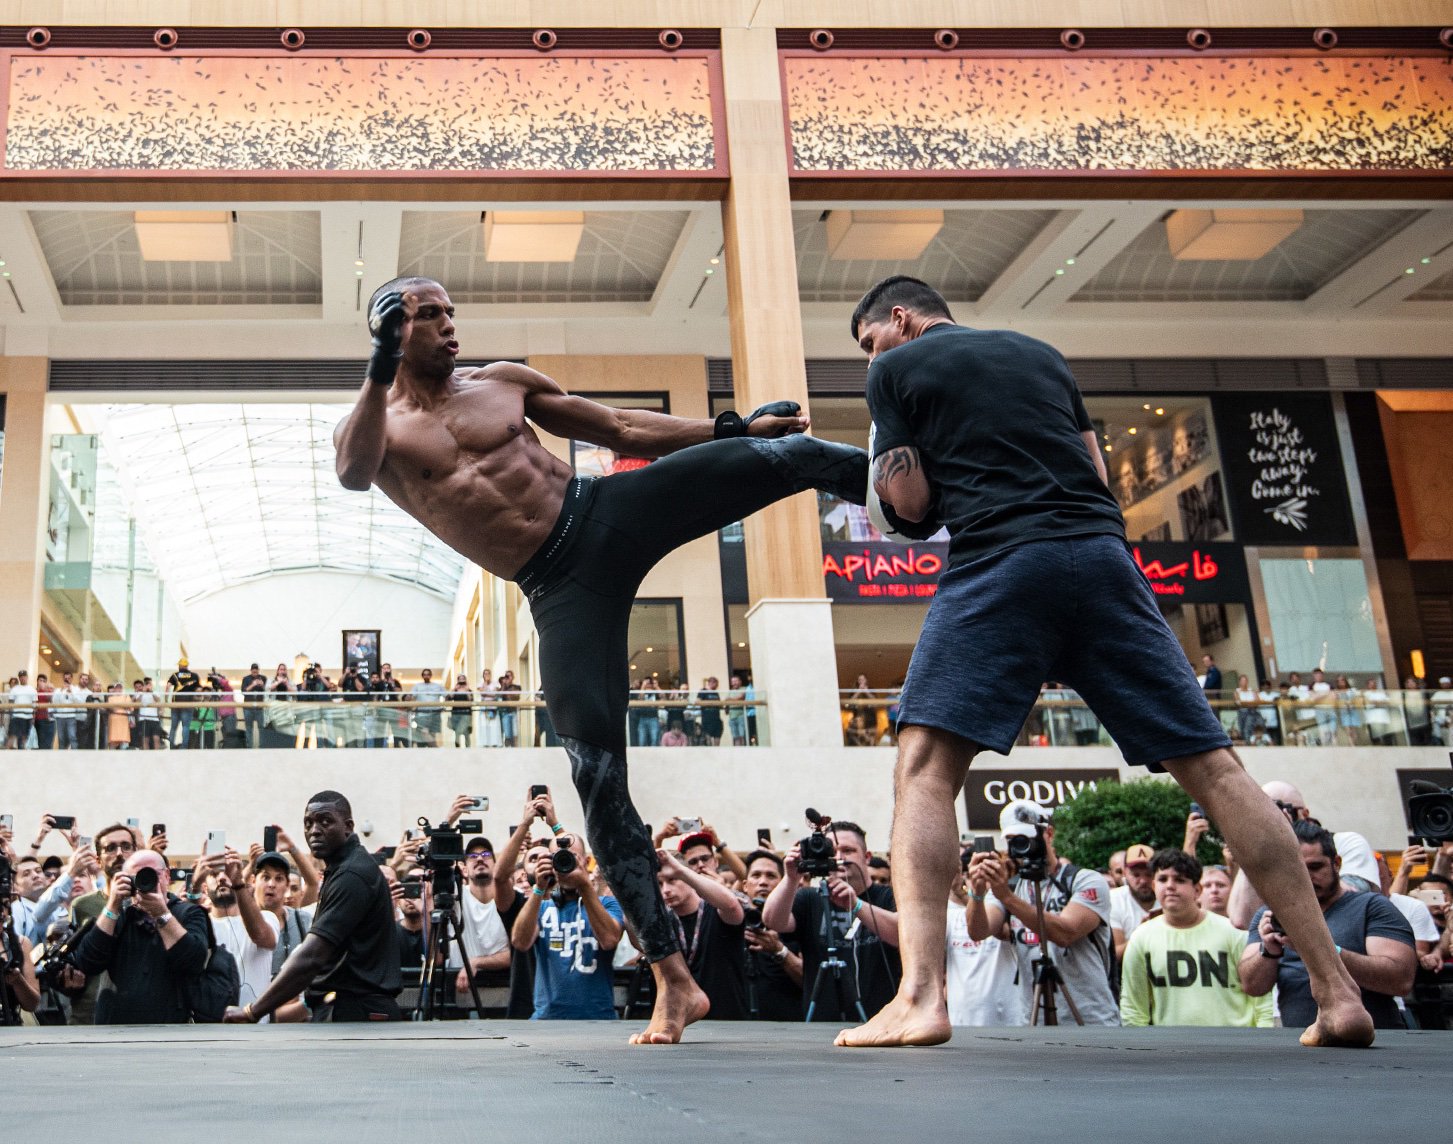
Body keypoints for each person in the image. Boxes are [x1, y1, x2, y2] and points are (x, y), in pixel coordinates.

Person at [837, 274, 1373, 1048]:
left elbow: (912, 505)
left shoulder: (894, 369)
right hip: (1102, 558)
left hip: (999, 558)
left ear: (899, 318)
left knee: (922, 769)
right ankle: (1336, 993)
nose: (868, 357)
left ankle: (920, 997)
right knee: (1218, 772)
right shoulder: (1042, 354)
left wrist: (896, 468)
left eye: (867, 341)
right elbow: (1093, 473)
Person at [333, 276, 868, 1042]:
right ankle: (673, 981)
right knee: (596, 777)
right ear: (390, 330)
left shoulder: (503, 383)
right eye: (427, 316)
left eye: (450, 312)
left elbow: (618, 427)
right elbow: (352, 473)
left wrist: (729, 427)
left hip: (605, 513)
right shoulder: (375, 425)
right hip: (557, 587)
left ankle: (932, 502)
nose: (449, 327)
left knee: (788, 452)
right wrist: (380, 364)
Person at [224, 791, 401, 1023]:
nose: (314, 830)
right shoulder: (343, 868)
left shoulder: (351, 873)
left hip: (357, 1013)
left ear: (348, 827)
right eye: (308, 823)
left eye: (325, 821)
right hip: (347, 1008)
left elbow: (313, 956)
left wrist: (252, 1011)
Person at [1241, 821, 1416, 1032]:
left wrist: (1319, 949)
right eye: (1296, 869)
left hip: (1374, 1045)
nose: (1306, 877)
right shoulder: (1270, 915)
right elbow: (1251, 986)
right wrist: (1268, 952)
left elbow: (1400, 980)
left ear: (1337, 863)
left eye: (1315, 867)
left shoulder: (1372, 907)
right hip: (1303, 1048)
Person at [966, 802, 1118, 1027]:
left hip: (1090, 1018)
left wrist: (1007, 897)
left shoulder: (1085, 880)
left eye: (1025, 838)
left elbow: (1066, 933)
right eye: (1012, 841)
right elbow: (979, 931)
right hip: (1033, 1018)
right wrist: (977, 893)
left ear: (1049, 833)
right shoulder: (1010, 886)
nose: (1020, 847)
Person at [761, 819, 901, 1022]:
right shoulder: (810, 898)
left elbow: (901, 934)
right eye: (831, 851)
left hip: (882, 1021)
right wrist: (791, 878)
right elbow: (773, 921)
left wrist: (857, 906)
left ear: (867, 857)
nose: (838, 857)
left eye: (848, 850)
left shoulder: (889, 896)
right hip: (821, 1025)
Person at [1120, 849, 1273, 1028]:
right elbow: (1133, 1009)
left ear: (1197, 889)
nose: (1170, 886)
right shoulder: (1140, 938)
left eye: (1179, 880)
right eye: (1162, 879)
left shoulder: (1233, 932)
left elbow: (1262, 1001)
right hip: (1170, 1050)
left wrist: (1264, 1036)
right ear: (1154, 886)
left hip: (1235, 1047)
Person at [68, 848, 211, 1023]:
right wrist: (112, 905)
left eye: (151, 874)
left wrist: (161, 914)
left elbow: (194, 961)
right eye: (137, 877)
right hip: (117, 1027)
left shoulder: (188, 913)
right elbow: (88, 962)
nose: (146, 882)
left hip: (171, 1027)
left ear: (167, 876)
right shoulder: (119, 916)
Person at [509, 830, 623, 1020]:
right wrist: (539, 888)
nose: (565, 863)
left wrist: (584, 885)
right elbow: (520, 942)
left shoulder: (607, 904)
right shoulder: (542, 907)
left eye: (572, 857)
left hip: (599, 1020)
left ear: (586, 862)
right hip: (546, 1020)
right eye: (557, 858)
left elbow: (609, 939)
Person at [655, 844, 748, 1019]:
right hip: (683, 1024)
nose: (666, 890)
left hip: (729, 1022)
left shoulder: (715, 909)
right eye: (659, 884)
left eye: (672, 879)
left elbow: (731, 905)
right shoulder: (663, 921)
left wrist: (681, 870)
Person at [1110, 843, 1158, 961]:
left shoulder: (1169, 896)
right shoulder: (1114, 900)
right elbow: (1115, 955)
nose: (1143, 881)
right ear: (1125, 873)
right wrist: (1141, 934)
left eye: (1148, 874)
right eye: (1136, 875)